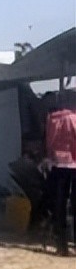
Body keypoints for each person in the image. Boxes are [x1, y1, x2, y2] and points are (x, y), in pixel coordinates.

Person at [43, 108, 76, 256]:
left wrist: (50, 157)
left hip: (58, 164)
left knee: (59, 205)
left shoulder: (52, 119)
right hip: (74, 164)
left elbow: (49, 143)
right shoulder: (73, 118)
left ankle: (61, 246)